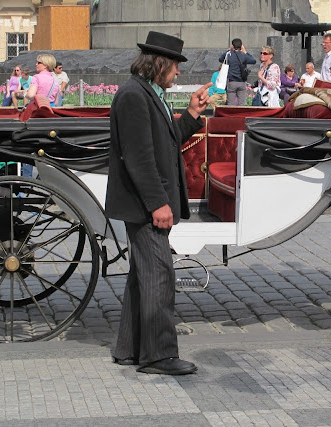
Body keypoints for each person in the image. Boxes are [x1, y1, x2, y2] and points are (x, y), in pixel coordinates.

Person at [105, 31, 212, 375]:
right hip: (144, 204)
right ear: (161, 64)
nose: (179, 73)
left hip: (145, 202)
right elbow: (138, 158)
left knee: (143, 276)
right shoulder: (134, 96)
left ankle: (130, 349)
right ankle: (159, 356)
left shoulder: (148, 92)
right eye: (176, 66)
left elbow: (166, 141)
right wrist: (157, 204)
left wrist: (193, 114)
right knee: (159, 276)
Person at [218, 38, 256, 106]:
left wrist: (228, 50)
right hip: (242, 82)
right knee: (242, 103)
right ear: (241, 46)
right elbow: (253, 61)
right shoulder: (244, 55)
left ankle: (232, 115)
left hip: (232, 82)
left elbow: (220, 59)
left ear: (233, 46)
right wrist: (245, 52)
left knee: (231, 104)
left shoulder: (229, 54)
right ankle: (242, 115)